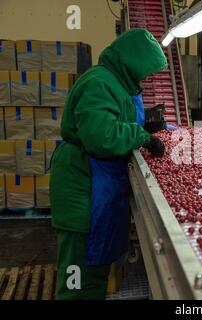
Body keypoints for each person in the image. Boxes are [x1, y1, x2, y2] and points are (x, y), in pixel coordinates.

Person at [50, 29, 168, 300]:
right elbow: (100, 136)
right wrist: (142, 137)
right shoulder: (99, 82)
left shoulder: (117, 82)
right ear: (132, 62)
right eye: (145, 71)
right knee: (78, 279)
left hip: (97, 189)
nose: (146, 79)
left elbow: (117, 118)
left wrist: (152, 126)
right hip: (84, 191)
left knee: (94, 273)